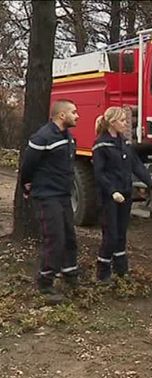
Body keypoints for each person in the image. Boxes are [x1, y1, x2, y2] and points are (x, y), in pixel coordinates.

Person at [92, 107, 152, 283]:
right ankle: (102, 273)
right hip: (110, 197)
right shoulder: (101, 145)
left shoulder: (125, 143)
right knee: (111, 234)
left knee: (121, 233)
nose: (126, 124)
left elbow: (136, 165)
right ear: (112, 123)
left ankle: (121, 270)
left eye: (126, 120)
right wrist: (112, 191)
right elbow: (99, 174)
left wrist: (151, 183)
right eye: (123, 121)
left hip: (125, 194)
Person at [20, 99, 80, 304]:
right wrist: (26, 184)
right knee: (55, 239)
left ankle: (70, 275)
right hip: (47, 196)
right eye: (73, 112)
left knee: (70, 237)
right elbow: (28, 165)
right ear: (61, 115)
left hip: (63, 195)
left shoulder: (67, 136)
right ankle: (45, 283)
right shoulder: (43, 136)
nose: (77, 115)